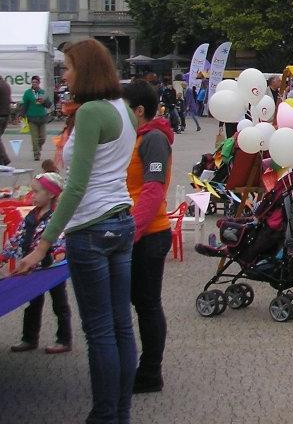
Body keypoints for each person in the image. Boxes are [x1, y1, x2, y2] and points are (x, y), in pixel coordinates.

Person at [15, 38, 138, 424]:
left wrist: (42, 244)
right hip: (120, 218)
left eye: (67, 67)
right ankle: (120, 412)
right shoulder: (123, 109)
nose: (64, 75)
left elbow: (76, 185)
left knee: (100, 330)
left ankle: (105, 415)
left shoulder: (90, 112)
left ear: (83, 70)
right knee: (120, 325)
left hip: (92, 224)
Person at [120, 80, 174, 394]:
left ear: (139, 110)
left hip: (148, 234)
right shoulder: (135, 137)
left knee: (147, 304)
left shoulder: (153, 138)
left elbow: (153, 191)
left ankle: (151, 371)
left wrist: (132, 231)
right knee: (136, 302)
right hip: (136, 232)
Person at [0, 170, 71, 354]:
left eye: (37, 192)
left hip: (51, 268)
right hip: (31, 268)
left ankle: (64, 339)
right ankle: (29, 338)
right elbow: (18, 237)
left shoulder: (57, 217)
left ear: (51, 194)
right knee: (33, 304)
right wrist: (4, 256)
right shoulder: (31, 216)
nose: (33, 196)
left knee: (59, 304)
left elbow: (61, 237)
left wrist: (60, 253)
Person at [22, 75, 53, 162]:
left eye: (36, 82)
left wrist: (44, 102)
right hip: (32, 118)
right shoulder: (28, 93)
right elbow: (25, 105)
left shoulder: (43, 92)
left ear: (39, 83)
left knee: (43, 137)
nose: (34, 84)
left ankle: (38, 147)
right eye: (33, 82)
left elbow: (49, 104)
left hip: (42, 117)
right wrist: (22, 115)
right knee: (34, 138)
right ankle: (36, 154)